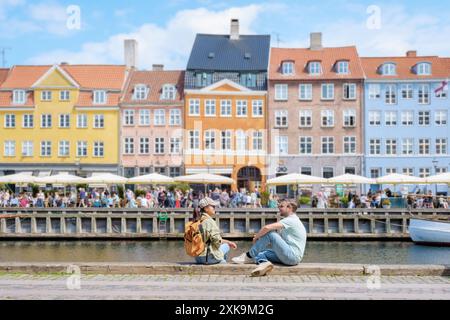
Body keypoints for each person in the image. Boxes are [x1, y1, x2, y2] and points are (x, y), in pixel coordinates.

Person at [232, 200, 307, 277]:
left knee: (271, 234)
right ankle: (264, 263)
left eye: (281, 206)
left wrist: (256, 237)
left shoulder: (291, 220)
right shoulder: (292, 220)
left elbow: (267, 228)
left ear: (289, 208)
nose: (279, 208)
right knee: (261, 253)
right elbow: (279, 242)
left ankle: (248, 256)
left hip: (292, 256)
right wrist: (261, 241)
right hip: (290, 256)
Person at [194, 197, 237, 265]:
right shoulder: (209, 221)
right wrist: (227, 243)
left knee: (226, 245)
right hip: (207, 257)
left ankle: (221, 261)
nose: (214, 208)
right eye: (213, 206)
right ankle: (221, 262)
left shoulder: (197, 220)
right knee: (226, 246)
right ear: (206, 208)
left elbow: (209, 240)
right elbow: (217, 241)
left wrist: (228, 241)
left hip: (197, 257)